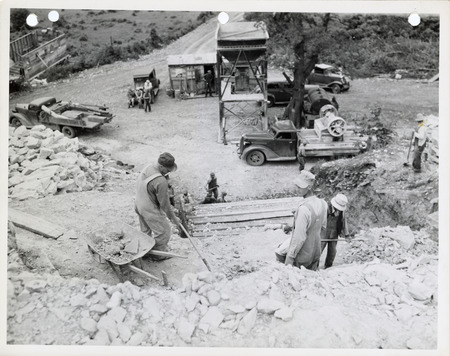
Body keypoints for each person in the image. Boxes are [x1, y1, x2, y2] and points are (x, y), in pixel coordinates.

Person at [275, 171, 327, 271]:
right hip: (316, 251)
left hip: (303, 255)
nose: (297, 189)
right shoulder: (323, 203)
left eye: (300, 187)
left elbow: (299, 238)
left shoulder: (303, 209)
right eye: (297, 186)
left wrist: (290, 258)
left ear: (309, 187)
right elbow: (323, 228)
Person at [134, 152, 180, 260]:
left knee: (145, 231)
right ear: (161, 166)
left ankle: (145, 252)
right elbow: (164, 204)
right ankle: (158, 255)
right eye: (167, 170)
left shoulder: (149, 167)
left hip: (138, 204)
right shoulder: (161, 181)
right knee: (164, 231)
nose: (168, 172)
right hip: (149, 208)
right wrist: (173, 218)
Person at [321, 193, 350, 269]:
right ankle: (314, 266)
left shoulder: (342, 211)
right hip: (324, 232)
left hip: (334, 233)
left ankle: (328, 267)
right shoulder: (326, 208)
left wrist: (347, 234)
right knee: (318, 250)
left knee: (332, 252)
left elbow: (344, 221)